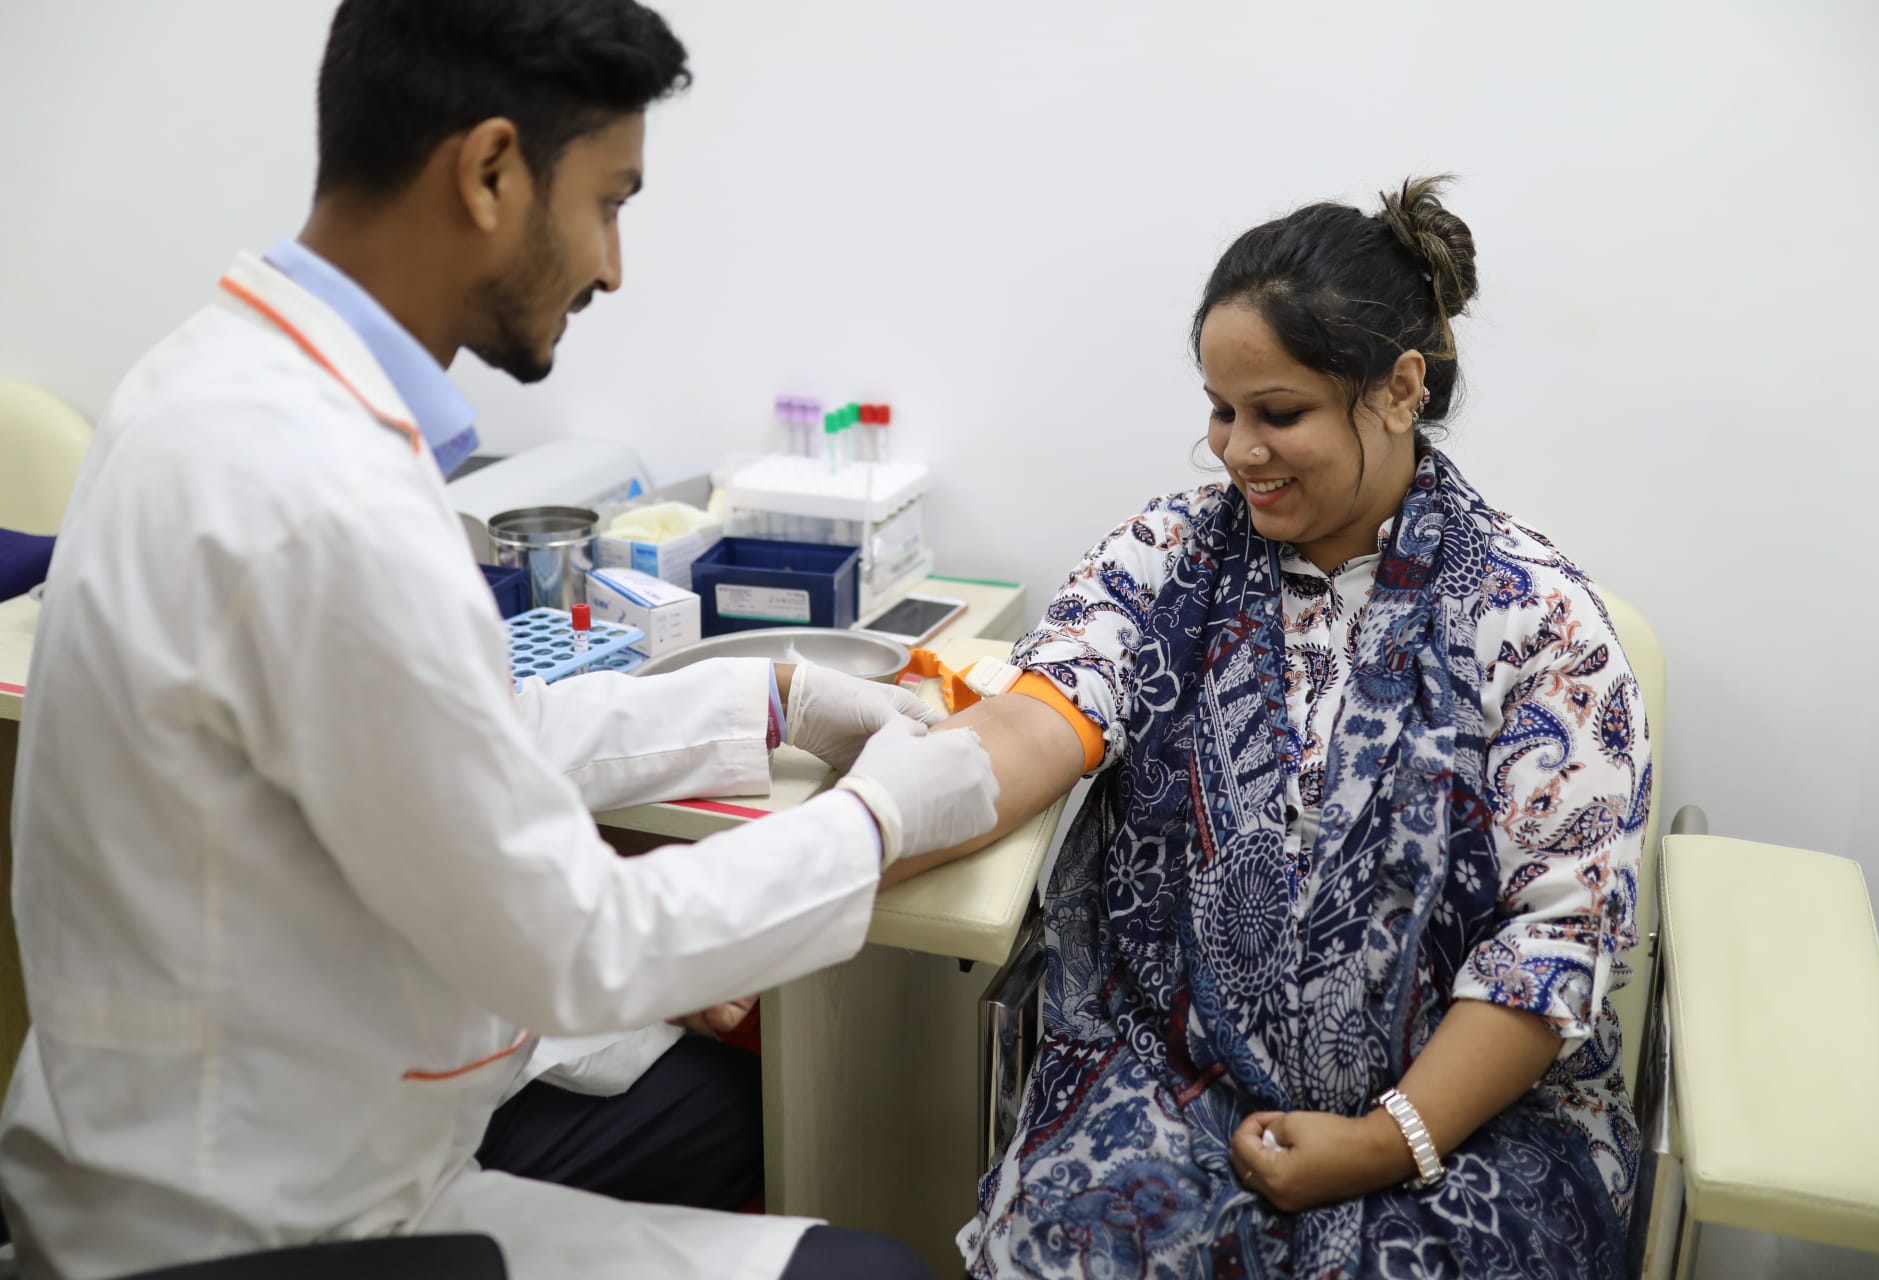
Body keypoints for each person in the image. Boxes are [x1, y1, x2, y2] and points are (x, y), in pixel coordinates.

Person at [0, 3, 1001, 1278]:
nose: (614, 265)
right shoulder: (317, 489)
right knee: (876, 1271)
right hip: (255, 1228)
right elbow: (580, 946)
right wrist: (878, 822)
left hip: (214, 1130)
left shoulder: (219, 380)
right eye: (609, 201)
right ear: (488, 172)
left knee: (703, 1125)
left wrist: (772, 699)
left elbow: (457, 736)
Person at [913, 178, 1651, 1278]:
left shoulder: (1537, 622)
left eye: (1280, 412)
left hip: (1472, 1123)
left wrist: (1385, 1138)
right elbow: (1038, 722)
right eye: (1221, 409)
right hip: (1166, 1078)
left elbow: (1554, 939)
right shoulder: (1169, 559)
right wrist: (855, 821)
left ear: (1401, 389)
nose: (1236, 450)